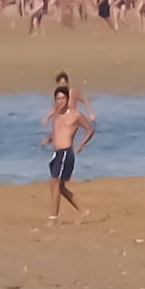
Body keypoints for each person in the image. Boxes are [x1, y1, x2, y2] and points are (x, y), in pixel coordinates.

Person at [41, 86, 96, 224]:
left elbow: (90, 129)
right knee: (58, 187)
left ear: (67, 99)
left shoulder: (75, 115)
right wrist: (49, 139)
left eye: (62, 98)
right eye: (57, 99)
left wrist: (81, 144)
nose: (60, 101)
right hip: (56, 153)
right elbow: (57, 134)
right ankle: (83, 210)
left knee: (55, 183)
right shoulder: (57, 117)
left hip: (66, 153)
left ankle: (53, 218)